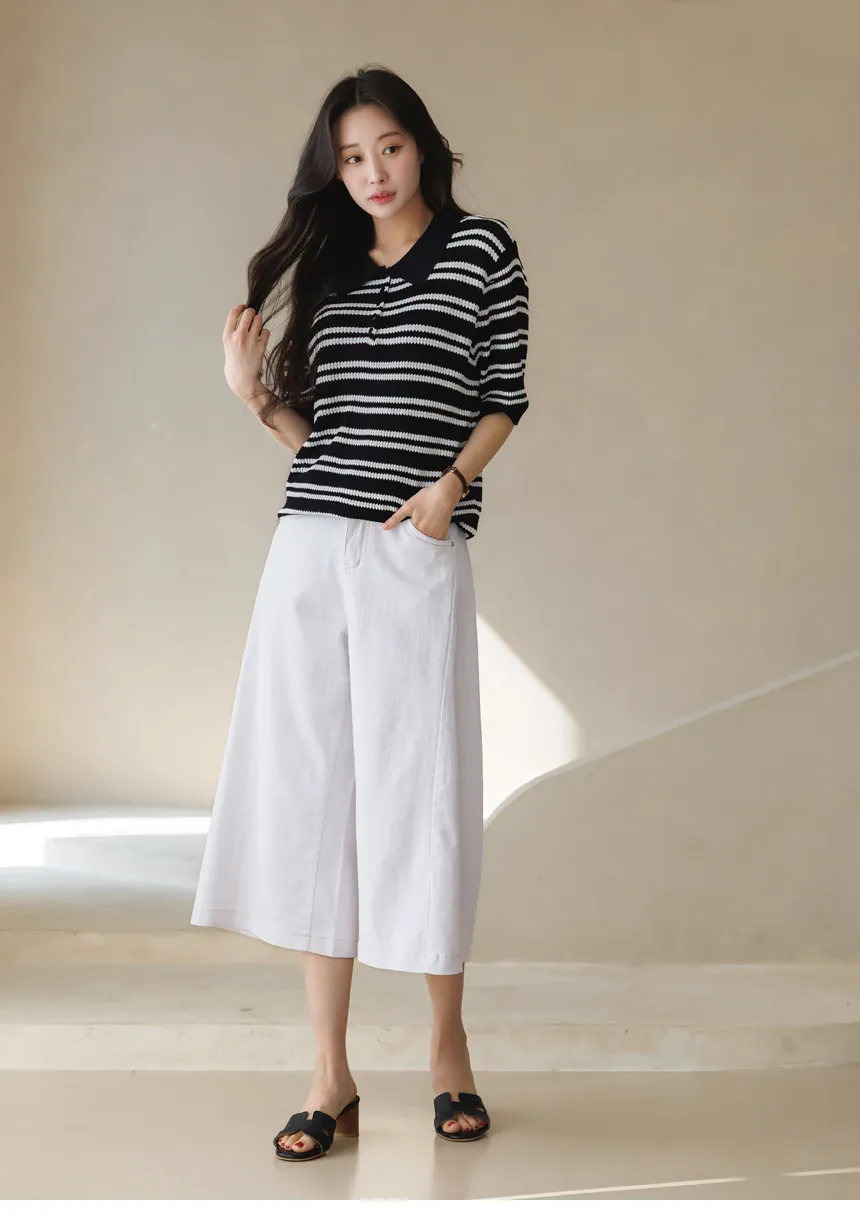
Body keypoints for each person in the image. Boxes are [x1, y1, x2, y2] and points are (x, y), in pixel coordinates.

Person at [190, 64, 530, 1161]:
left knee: (421, 793)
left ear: (420, 144)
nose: (371, 172)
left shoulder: (482, 252)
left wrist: (448, 491)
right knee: (311, 794)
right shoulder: (331, 270)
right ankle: (328, 1077)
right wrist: (255, 399)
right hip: (309, 548)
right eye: (349, 157)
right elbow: (324, 439)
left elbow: (505, 393)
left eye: (386, 147)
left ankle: (447, 1051)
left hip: (411, 549)